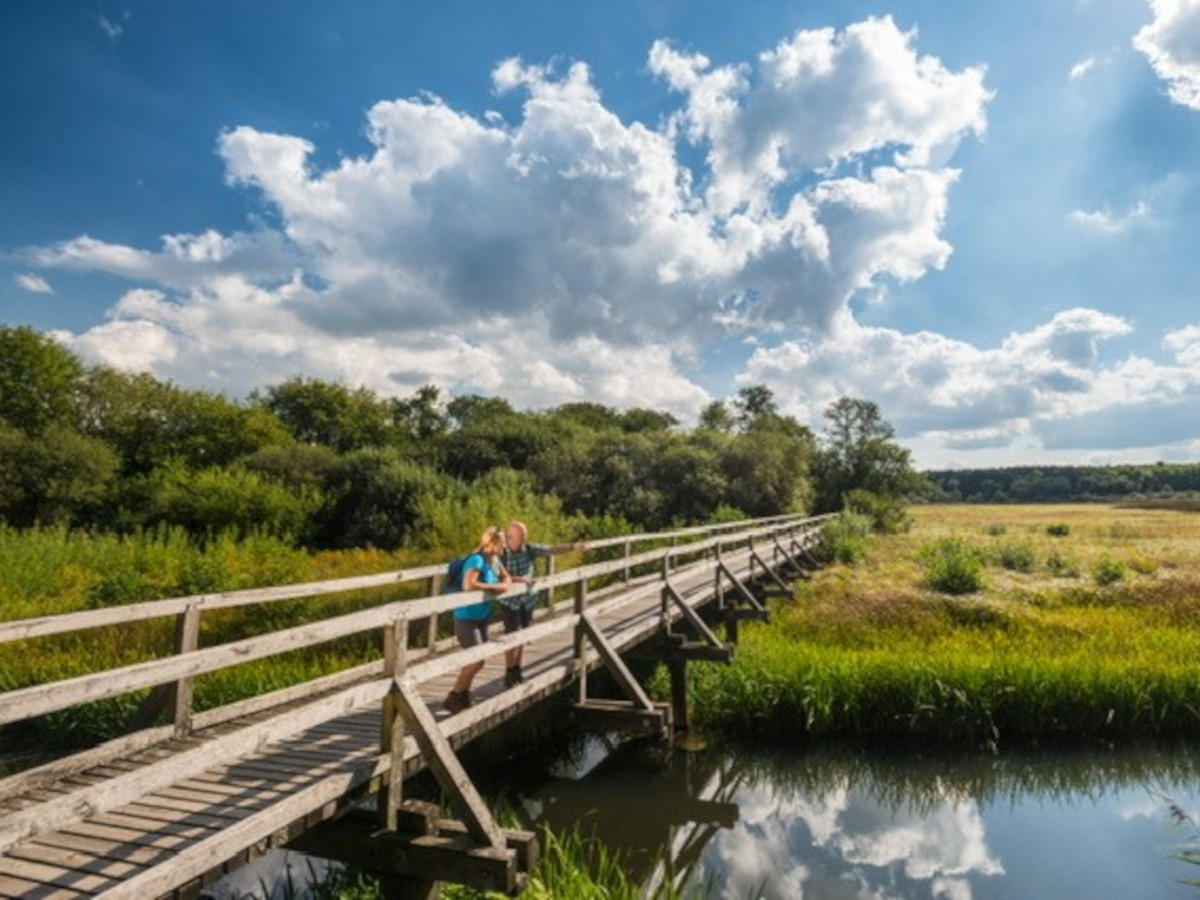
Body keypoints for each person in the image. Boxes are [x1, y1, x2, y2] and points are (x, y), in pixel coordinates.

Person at [499, 520, 587, 687]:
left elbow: (550, 549)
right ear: (511, 536)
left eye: (525, 534)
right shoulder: (502, 553)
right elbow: (498, 576)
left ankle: (517, 668)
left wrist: (572, 547)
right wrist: (520, 580)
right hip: (509, 601)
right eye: (521, 535)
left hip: (527, 599)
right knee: (513, 635)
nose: (525, 537)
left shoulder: (529, 548)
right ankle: (509, 671)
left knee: (523, 635)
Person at [444, 525, 512, 715]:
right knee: (477, 661)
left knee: (479, 659)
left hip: (481, 617)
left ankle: (462, 695)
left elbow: (507, 578)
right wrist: (493, 587)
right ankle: (454, 696)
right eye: (502, 542)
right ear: (492, 543)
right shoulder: (477, 559)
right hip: (466, 617)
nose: (505, 546)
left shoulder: (495, 560)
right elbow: (468, 585)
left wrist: (503, 584)